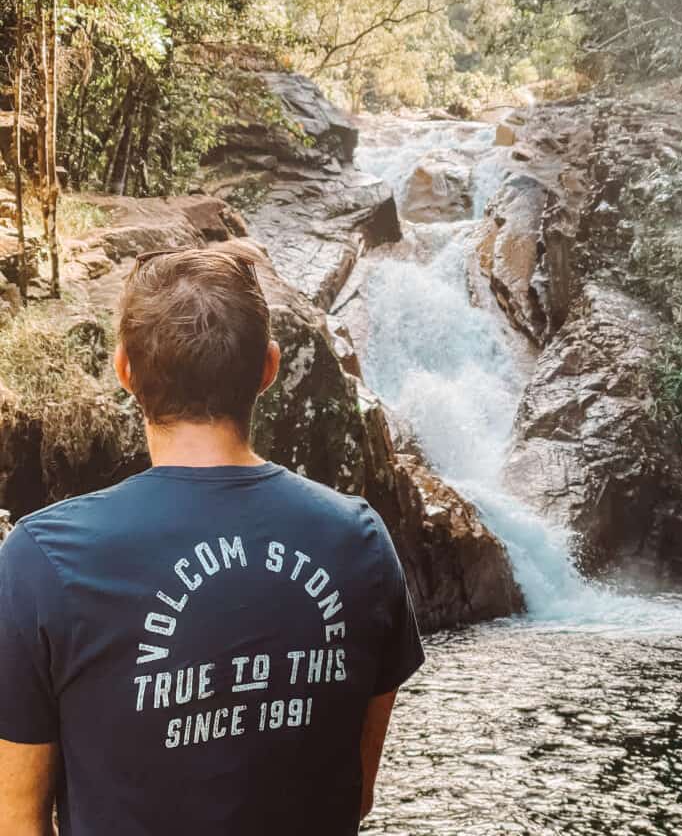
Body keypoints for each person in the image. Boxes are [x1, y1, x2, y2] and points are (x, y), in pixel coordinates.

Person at [0, 244, 424, 836]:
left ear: (125, 371)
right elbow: (354, 793)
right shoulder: (361, 541)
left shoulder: (40, 558)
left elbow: (17, 821)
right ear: (268, 369)